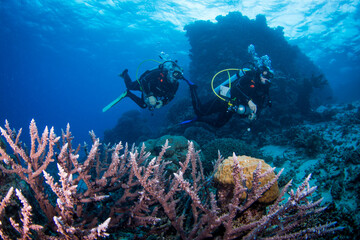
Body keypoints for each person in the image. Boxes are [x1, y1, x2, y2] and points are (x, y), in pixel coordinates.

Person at [187, 65, 273, 128]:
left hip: (233, 107)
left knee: (218, 124)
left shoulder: (264, 88)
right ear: (260, 73)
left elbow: (260, 105)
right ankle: (192, 88)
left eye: (269, 78)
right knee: (200, 111)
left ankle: (198, 120)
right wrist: (248, 101)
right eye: (264, 75)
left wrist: (255, 115)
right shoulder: (249, 77)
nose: (266, 79)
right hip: (225, 99)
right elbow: (235, 89)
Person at [119, 60, 191, 110]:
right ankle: (125, 73)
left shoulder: (176, 84)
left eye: (178, 76)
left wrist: (162, 102)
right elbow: (144, 80)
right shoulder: (159, 73)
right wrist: (149, 96)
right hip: (144, 85)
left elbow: (171, 96)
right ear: (170, 71)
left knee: (144, 105)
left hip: (153, 92)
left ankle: (128, 94)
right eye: (175, 74)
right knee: (130, 86)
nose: (175, 78)